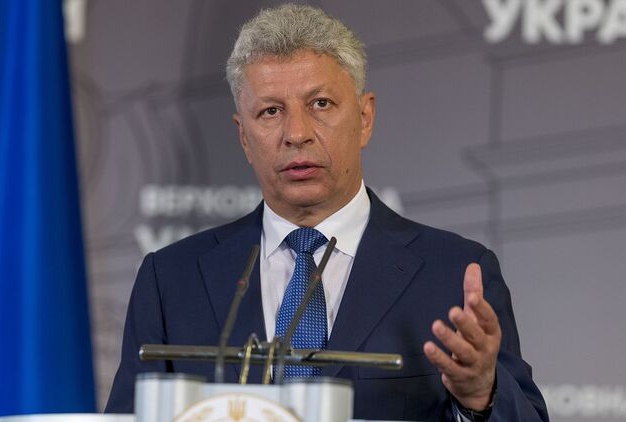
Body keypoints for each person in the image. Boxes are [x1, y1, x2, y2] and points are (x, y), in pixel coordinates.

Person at [106, 4, 549, 421]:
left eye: (320, 104)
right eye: (271, 111)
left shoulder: (452, 274)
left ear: (365, 117)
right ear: (244, 137)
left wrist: (481, 395)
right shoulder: (172, 280)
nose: (296, 133)